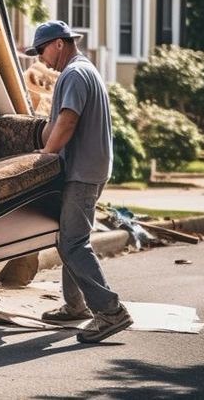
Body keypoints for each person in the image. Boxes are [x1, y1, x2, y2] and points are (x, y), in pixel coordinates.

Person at [26, 20, 133, 343]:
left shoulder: (73, 74)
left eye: (42, 50)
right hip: (91, 166)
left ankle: (110, 311)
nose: (42, 59)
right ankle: (75, 305)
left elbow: (68, 120)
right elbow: (60, 119)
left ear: (59, 43)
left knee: (73, 243)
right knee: (68, 238)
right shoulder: (85, 70)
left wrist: (46, 154)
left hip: (82, 171)